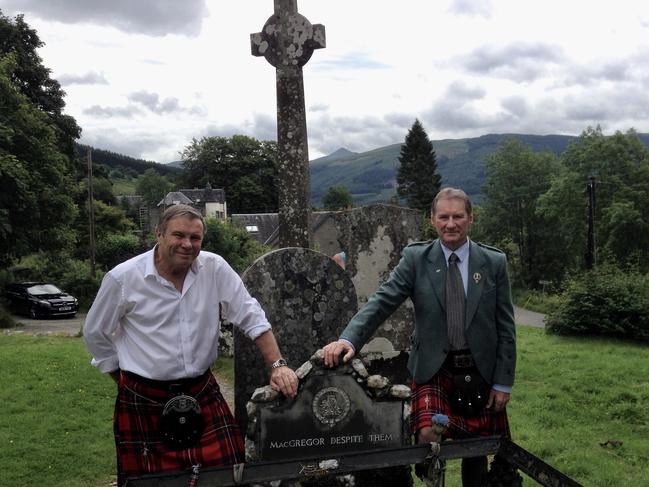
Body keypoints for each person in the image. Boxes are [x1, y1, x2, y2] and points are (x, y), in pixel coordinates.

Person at [84, 204, 298, 486]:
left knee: (229, 472)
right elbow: (95, 333)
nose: (187, 244)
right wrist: (124, 382)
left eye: (195, 238)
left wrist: (278, 365)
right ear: (158, 234)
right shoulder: (123, 278)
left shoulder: (214, 268)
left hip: (202, 391)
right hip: (144, 401)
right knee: (147, 482)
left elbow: (251, 314)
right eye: (179, 235)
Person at [323, 187, 517, 487]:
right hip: (433, 368)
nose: (450, 223)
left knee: (477, 450)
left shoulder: (493, 262)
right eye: (443, 217)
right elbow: (382, 301)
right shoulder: (416, 259)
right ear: (432, 219)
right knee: (427, 434)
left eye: (458, 216)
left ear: (471, 218)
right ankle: (432, 479)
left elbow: (506, 327)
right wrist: (348, 340)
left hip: (480, 370)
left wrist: (503, 382)